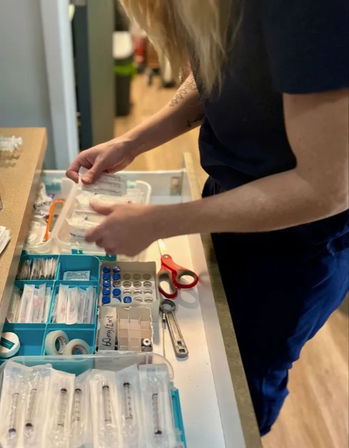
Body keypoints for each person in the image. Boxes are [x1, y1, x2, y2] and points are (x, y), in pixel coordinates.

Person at [66, 0, 349, 435]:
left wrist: (158, 222)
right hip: (234, 205)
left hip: (298, 247)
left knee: (243, 392)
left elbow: (326, 189)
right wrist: (132, 141)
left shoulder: (310, 11)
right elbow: (219, 75)